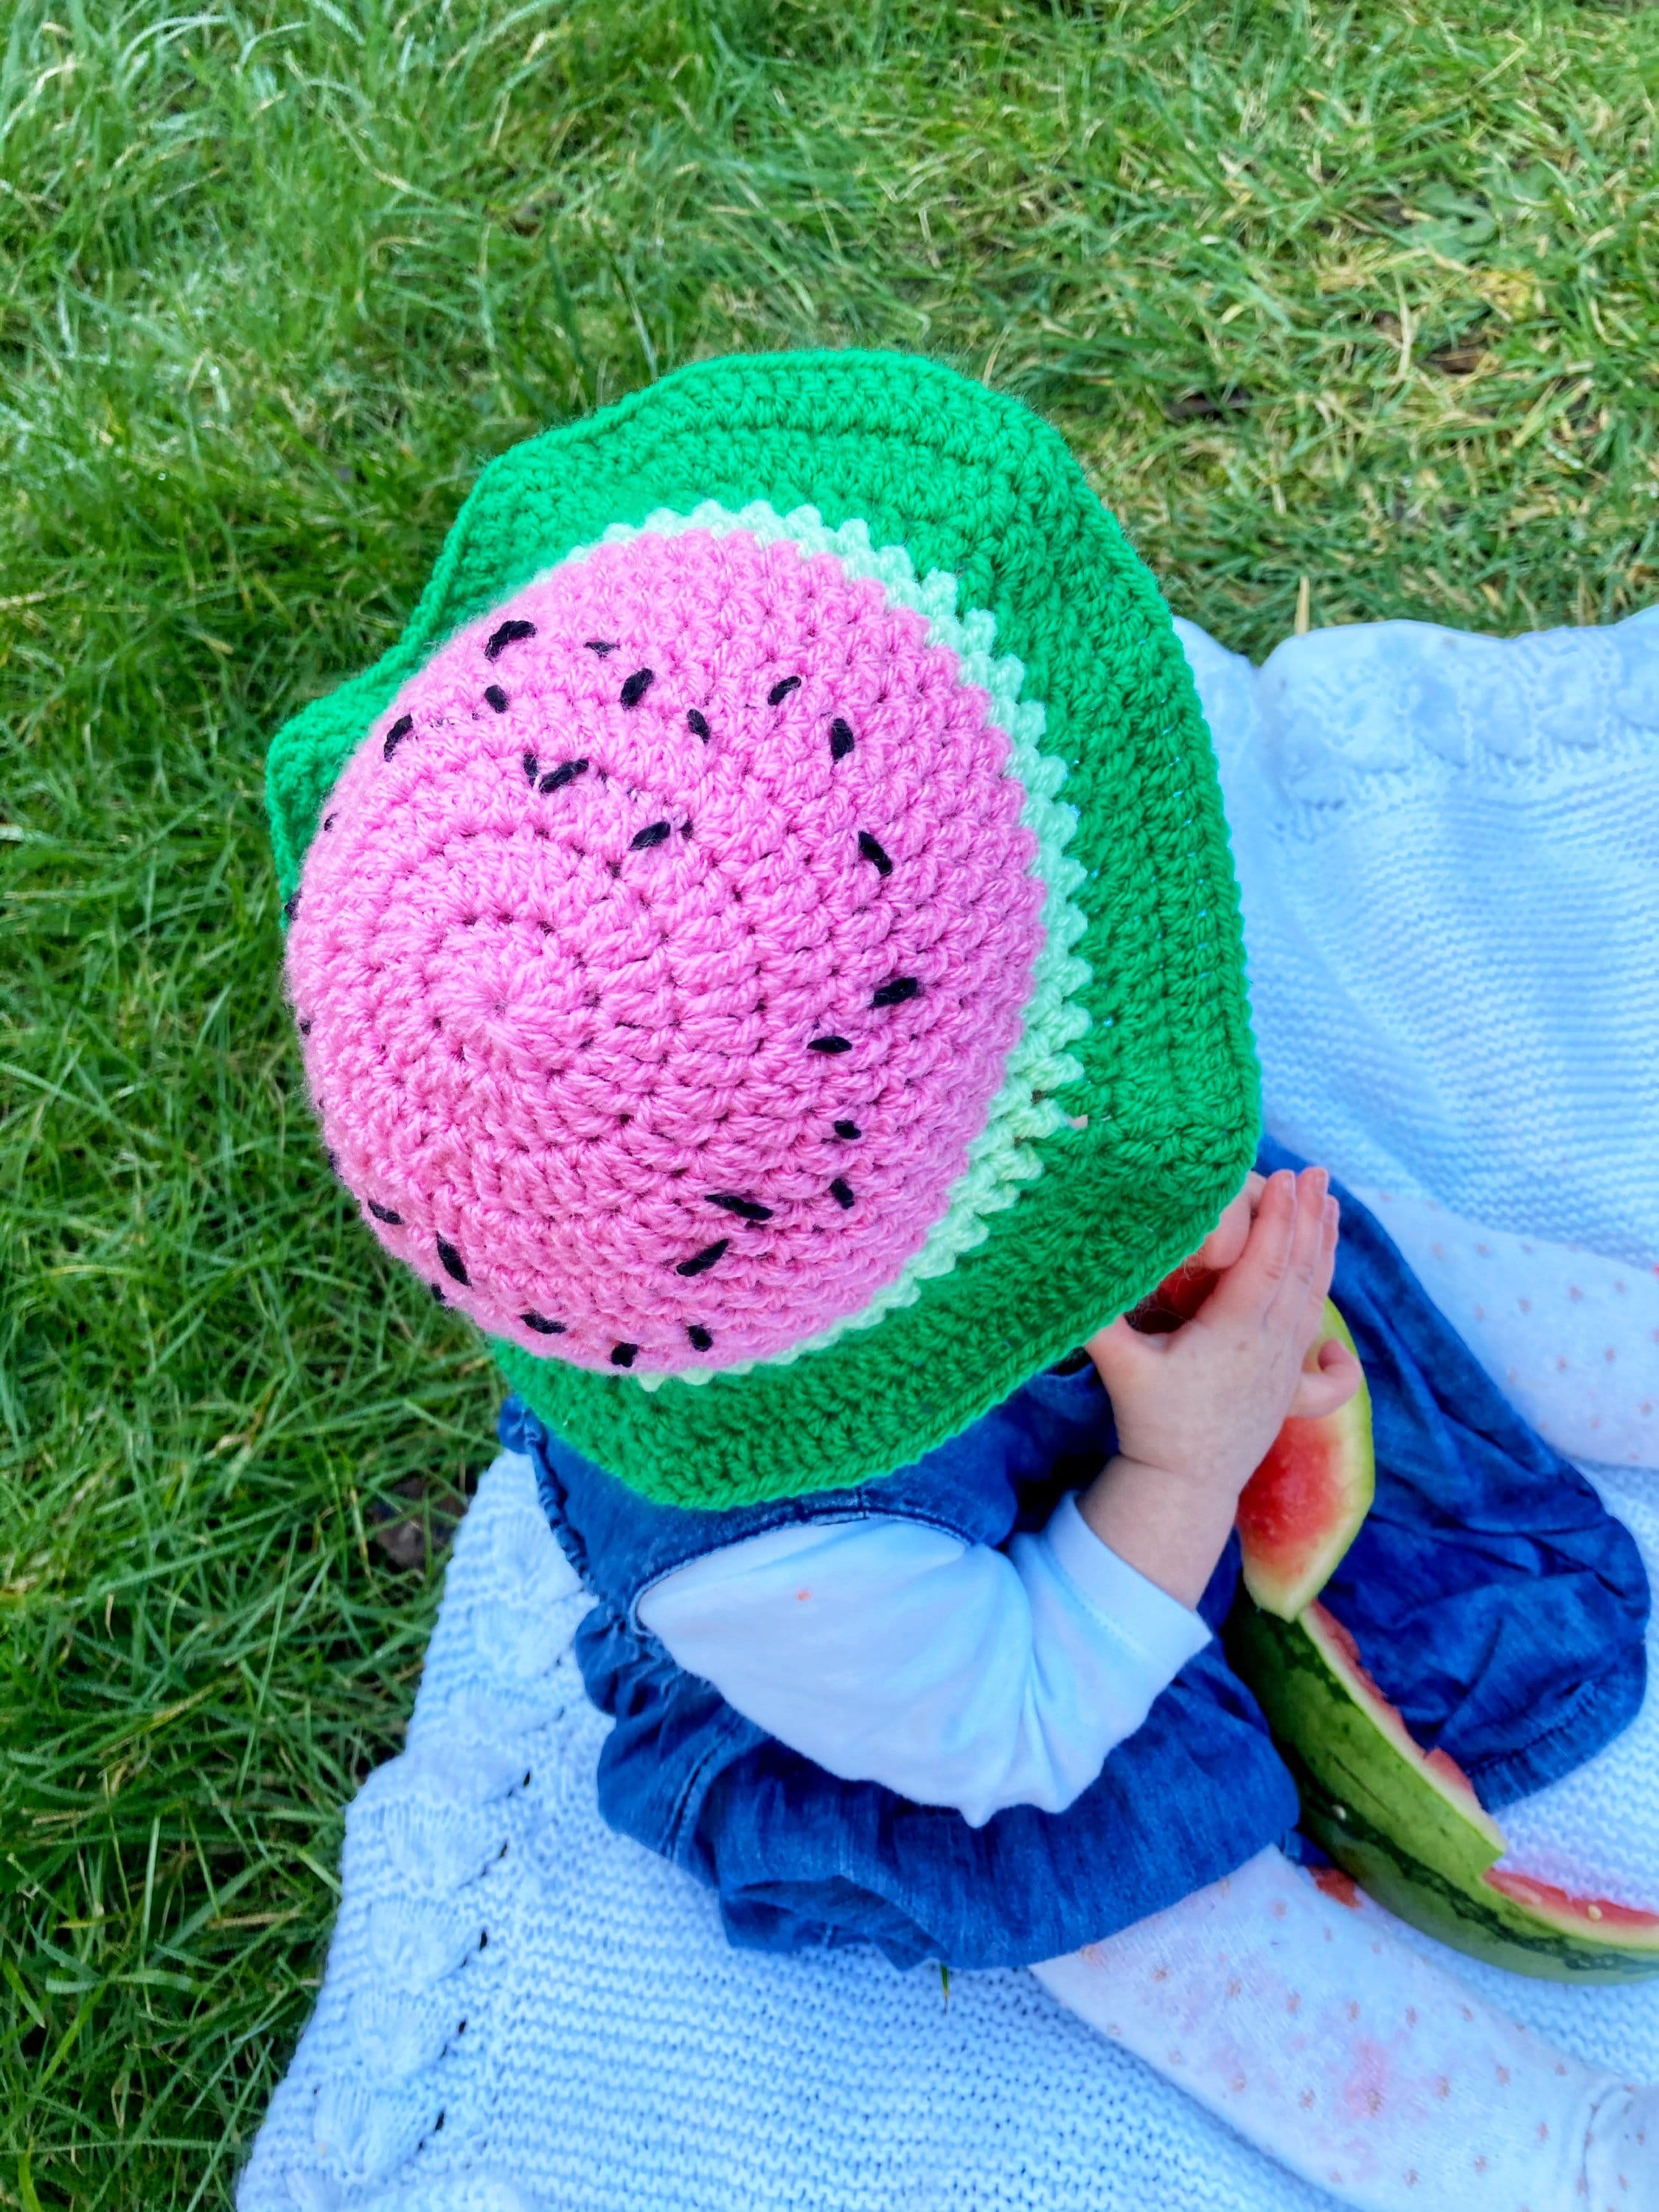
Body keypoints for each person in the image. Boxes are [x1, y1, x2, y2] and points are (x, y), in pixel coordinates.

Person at [268, 348, 1656, 2209]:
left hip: (1020, 1334)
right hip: (981, 1691)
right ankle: (1557, 2153)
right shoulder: (773, 1573)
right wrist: (1188, 1463)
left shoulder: (991, 1140)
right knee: (1129, 1894)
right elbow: (1022, 1719)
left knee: (1335, 1245)